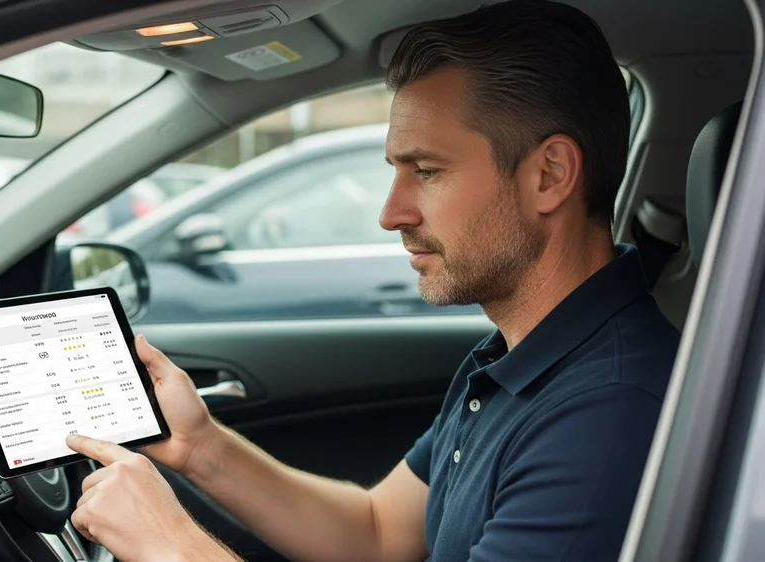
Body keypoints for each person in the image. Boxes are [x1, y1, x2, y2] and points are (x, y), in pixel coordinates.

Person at [64, 0, 681, 560]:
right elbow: (379, 532)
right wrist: (201, 448)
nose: (392, 213)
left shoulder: (609, 416)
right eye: (396, 171)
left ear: (549, 176)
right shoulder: (516, 356)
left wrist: (171, 546)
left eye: (427, 171)